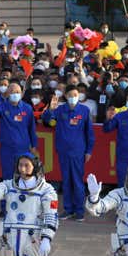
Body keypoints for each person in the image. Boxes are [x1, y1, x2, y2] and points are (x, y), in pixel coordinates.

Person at [42, 85, 95, 222]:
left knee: (77, 181)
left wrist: (89, 150)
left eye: (75, 95)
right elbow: (47, 120)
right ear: (65, 96)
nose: (73, 98)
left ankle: (79, 210)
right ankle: (68, 209)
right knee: (66, 181)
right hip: (63, 151)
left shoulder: (84, 111)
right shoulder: (60, 110)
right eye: (70, 95)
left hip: (78, 152)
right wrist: (50, 109)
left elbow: (89, 133)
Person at [0, 83, 38, 216]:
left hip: (23, 150)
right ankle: (6, 208)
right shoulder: (3, 106)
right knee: (7, 179)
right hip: (7, 149)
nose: (15, 94)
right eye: (12, 91)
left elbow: (32, 129)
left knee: (24, 178)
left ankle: (23, 207)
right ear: (8, 94)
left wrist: (34, 146)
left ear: (21, 93)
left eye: (17, 91)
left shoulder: (27, 108)